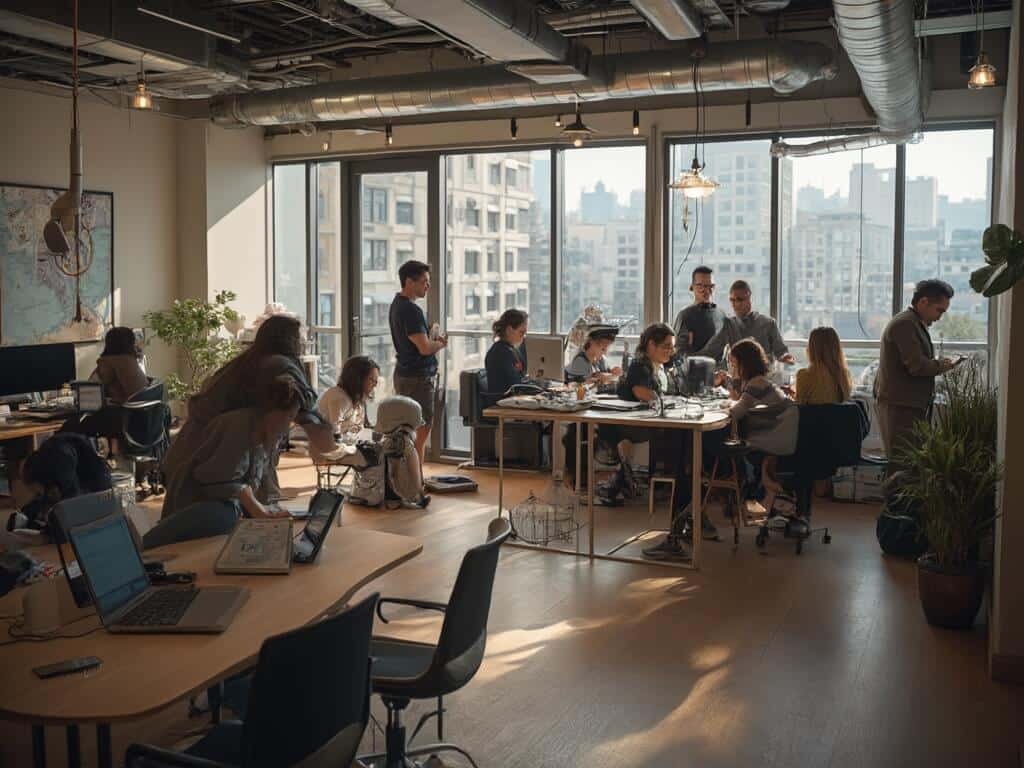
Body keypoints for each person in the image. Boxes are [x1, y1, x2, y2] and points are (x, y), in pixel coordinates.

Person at [161, 315, 336, 506]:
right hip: (212, 464)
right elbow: (319, 434)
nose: (304, 344)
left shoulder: (244, 363)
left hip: (187, 455)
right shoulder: (281, 367)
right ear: (292, 341)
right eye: (301, 339)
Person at [144, 376, 299, 549]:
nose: (288, 426)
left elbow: (249, 489)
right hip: (198, 505)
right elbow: (223, 483)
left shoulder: (262, 437)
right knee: (227, 514)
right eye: (288, 416)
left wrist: (268, 512)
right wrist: (259, 511)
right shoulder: (239, 425)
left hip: (219, 507)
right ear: (270, 411)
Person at [875, 279, 959, 469]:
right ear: (923, 302)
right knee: (902, 465)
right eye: (939, 310)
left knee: (909, 464)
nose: (940, 317)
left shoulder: (912, 322)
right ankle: (897, 500)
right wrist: (943, 365)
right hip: (901, 406)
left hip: (907, 404)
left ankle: (902, 500)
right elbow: (917, 366)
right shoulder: (905, 324)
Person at [390, 259, 447, 468]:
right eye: (424, 281)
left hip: (406, 374)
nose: (428, 286)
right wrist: (439, 344)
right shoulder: (411, 310)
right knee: (419, 434)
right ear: (409, 282)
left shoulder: (397, 305)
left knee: (408, 432)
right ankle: (414, 483)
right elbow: (424, 348)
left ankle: (409, 481)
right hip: (417, 377)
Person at [60, 326, 149, 436]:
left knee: (70, 426)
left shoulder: (109, 362)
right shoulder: (132, 360)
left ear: (109, 343)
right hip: (142, 420)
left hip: (124, 419)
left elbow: (88, 396)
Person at [699, 280, 795, 366]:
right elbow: (709, 351)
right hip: (739, 381)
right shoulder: (728, 325)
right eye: (732, 300)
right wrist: (687, 359)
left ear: (749, 297)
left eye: (739, 299)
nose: (735, 304)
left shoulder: (768, 324)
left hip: (764, 379)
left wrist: (786, 357)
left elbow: (781, 351)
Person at [317, 355, 380, 444]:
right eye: (371, 379)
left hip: (343, 441)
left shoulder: (358, 399)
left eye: (376, 381)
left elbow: (358, 428)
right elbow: (335, 435)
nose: (375, 384)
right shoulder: (339, 397)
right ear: (357, 378)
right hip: (318, 443)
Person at [672, 266, 726, 356]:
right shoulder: (685, 316)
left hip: (720, 369)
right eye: (701, 286)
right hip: (695, 368)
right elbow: (679, 354)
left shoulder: (721, 315)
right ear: (692, 287)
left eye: (711, 286)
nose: (706, 290)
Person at [794, 327, 853, 405]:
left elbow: (799, 407)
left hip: (813, 417)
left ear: (812, 348)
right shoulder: (844, 375)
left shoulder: (804, 375)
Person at [485, 309, 531, 400]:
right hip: (503, 402)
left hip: (514, 398)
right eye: (521, 332)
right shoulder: (499, 353)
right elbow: (515, 383)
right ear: (509, 330)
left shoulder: (512, 349)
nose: (523, 336)